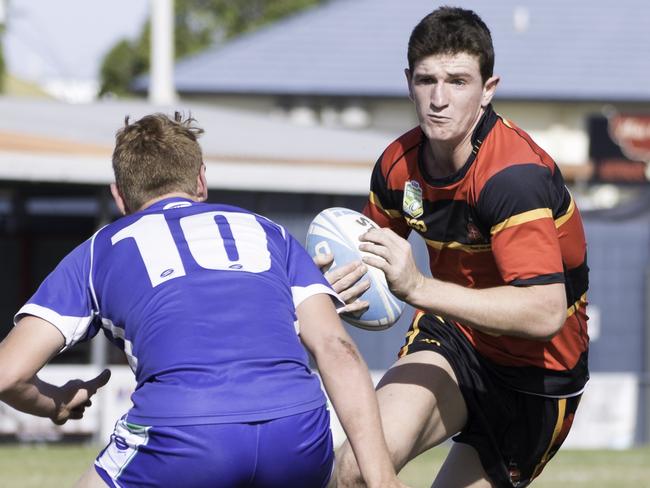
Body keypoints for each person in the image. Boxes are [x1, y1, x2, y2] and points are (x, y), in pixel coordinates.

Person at [0, 113, 405, 488]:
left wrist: (54, 402)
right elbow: (337, 350)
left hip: (183, 432)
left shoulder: (98, 251)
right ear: (201, 180)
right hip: (296, 433)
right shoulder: (269, 233)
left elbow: (7, 374)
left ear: (119, 198)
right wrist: (382, 478)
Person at [324, 7, 589, 488]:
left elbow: (545, 312)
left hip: (539, 373)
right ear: (409, 82)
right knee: (358, 469)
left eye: (458, 81)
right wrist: (335, 280)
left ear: (489, 89)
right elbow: (366, 259)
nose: (439, 99)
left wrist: (418, 286)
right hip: (455, 338)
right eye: (427, 80)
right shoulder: (396, 166)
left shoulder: (513, 177)